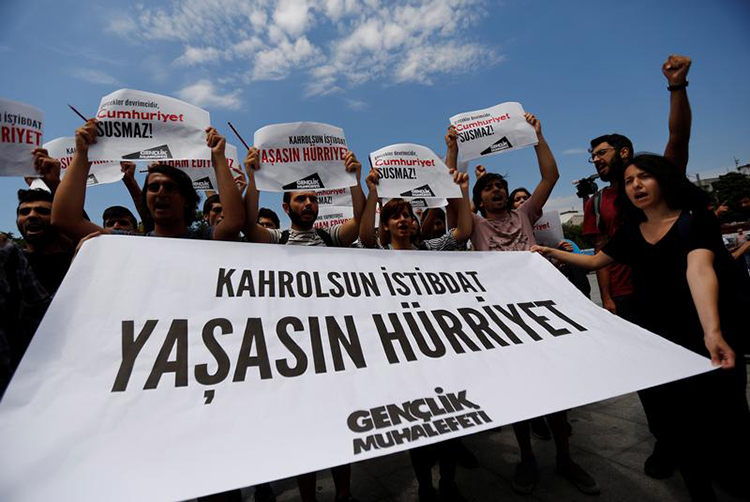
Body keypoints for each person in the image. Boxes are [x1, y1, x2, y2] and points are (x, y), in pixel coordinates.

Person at [532, 154, 750, 501]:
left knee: (725, 412)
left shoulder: (693, 222)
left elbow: (699, 270)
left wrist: (711, 332)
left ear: (663, 181)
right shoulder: (630, 232)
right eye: (630, 180)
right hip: (658, 337)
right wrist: (546, 250)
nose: (635, 185)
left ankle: (734, 471)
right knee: (677, 420)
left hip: (706, 333)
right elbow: (593, 261)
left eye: (644, 177)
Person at [453, 113, 598, 495]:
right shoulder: (475, 225)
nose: (498, 191)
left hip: (544, 312)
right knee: (519, 391)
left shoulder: (525, 213)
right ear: (478, 199)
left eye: (501, 185)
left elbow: (549, 177)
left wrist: (538, 137)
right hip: (502, 318)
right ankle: (527, 457)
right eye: (489, 188)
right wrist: (452, 151)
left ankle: (565, 457)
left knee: (558, 389)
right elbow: (448, 191)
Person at [582, 54, 693, 479]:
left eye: (602, 153)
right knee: (651, 378)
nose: (596, 160)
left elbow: (677, 139)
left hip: (679, 293)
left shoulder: (651, 181)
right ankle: (665, 442)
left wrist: (676, 88)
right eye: (592, 155)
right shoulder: (596, 201)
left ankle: (719, 447)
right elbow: (600, 253)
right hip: (628, 301)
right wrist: (608, 299)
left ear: (625, 153)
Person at [242, 146, 365, 502]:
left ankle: (344, 494)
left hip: (333, 346)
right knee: (305, 433)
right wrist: (252, 178)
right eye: (300, 199)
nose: (309, 204)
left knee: (343, 428)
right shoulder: (276, 240)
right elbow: (248, 227)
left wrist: (355, 179)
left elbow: (361, 218)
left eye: (313, 199)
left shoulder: (330, 238)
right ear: (286, 207)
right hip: (294, 351)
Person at [359, 154, 472, 502]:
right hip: (404, 353)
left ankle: (448, 482)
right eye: (396, 217)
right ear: (387, 226)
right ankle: (425, 484)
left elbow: (464, 230)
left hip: (439, 346)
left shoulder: (432, 249)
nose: (404, 221)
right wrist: (373, 193)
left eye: (408, 215)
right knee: (420, 427)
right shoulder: (377, 254)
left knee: (452, 421)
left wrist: (459, 192)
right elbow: (363, 234)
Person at [52, 119, 244, 243]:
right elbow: (64, 220)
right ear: (145, 199)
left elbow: (234, 222)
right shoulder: (131, 242)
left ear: (186, 199)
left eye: (170, 187)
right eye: (153, 187)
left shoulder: (204, 238)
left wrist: (218, 156)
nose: (161, 192)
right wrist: (83, 154)